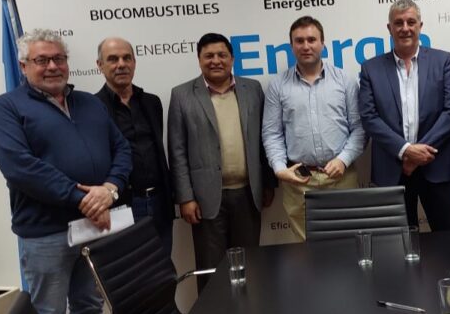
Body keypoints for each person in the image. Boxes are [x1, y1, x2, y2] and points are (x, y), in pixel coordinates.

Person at [0, 29, 132, 314]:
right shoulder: (6, 108)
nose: (53, 66)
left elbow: (121, 149)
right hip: (46, 234)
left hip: (92, 227)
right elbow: (21, 168)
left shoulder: (89, 103)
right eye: (42, 60)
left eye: (59, 58)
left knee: (89, 306)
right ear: (24, 66)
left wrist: (110, 189)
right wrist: (82, 199)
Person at [168, 33, 274, 290]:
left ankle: (252, 313)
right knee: (211, 270)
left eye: (222, 55)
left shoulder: (252, 89)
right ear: (199, 60)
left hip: (248, 195)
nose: (215, 60)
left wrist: (268, 183)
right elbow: (177, 149)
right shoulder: (182, 95)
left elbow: (265, 138)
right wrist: (185, 197)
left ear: (232, 59)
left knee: (250, 266)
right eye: (209, 56)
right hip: (205, 199)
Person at [358, 0, 450, 230]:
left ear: (420, 26)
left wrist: (417, 155)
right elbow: (369, 117)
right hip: (392, 170)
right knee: (399, 245)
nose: (405, 28)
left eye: (411, 22)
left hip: (436, 166)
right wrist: (405, 150)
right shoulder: (371, 69)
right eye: (398, 23)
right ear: (389, 28)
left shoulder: (442, 61)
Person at [262, 15, 365, 240]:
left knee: (348, 244)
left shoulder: (344, 81)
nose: (306, 46)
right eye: (299, 41)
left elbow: (359, 128)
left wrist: (343, 160)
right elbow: (272, 134)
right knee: (305, 249)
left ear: (323, 43)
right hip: (298, 181)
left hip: (341, 178)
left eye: (311, 39)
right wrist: (279, 169)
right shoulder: (278, 86)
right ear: (291, 46)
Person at [95, 37, 174, 253]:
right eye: (113, 59)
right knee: (132, 268)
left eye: (126, 58)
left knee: (163, 267)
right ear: (100, 65)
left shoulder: (151, 102)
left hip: (160, 202)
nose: (121, 64)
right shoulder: (92, 107)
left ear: (134, 62)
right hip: (122, 205)